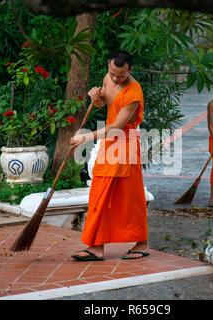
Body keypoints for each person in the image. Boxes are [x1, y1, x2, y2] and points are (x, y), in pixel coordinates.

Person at [70, 50, 149, 260]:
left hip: (125, 145)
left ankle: (141, 242)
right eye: (112, 73)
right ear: (109, 65)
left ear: (130, 70)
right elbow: (102, 102)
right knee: (100, 192)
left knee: (129, 197)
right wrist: (96, 97)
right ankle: (96, 246)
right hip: (109, 144)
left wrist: (86, 137)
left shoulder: (134, 92)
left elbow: (117, 126)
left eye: (120, 76)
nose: (115, 78)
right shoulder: (109, 76)